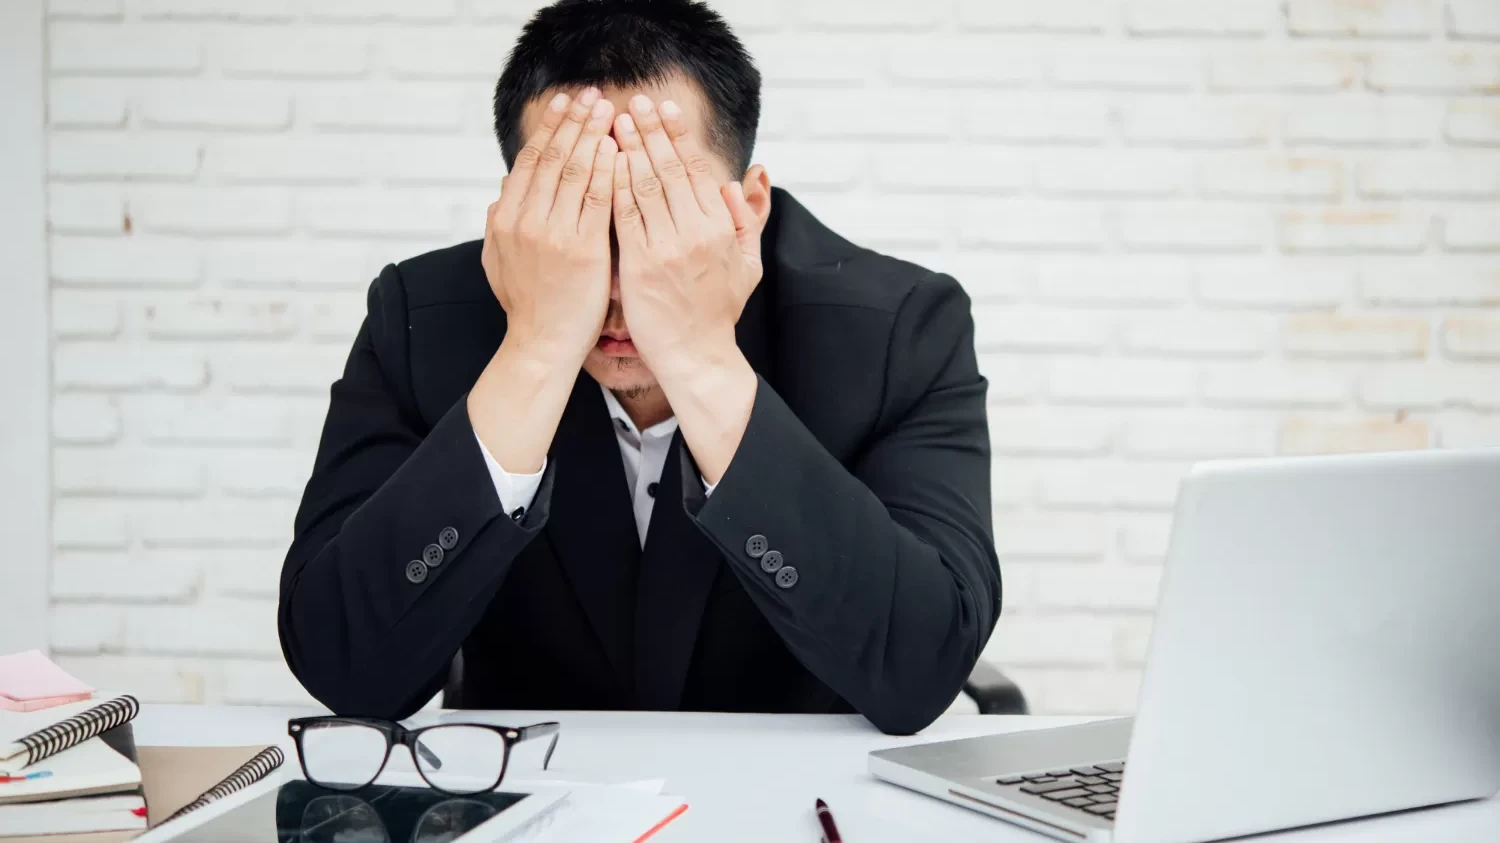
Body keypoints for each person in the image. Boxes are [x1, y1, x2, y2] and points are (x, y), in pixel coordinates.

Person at [278, 0, 1000, 736]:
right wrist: (533, 348)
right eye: (578, 214)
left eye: (662, 217)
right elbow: (345, 665)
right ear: (517, 214)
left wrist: (699, 353)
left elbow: (922, 663)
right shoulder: (419, 320)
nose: (619, 287)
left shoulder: (901, 329)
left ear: (747, 210)